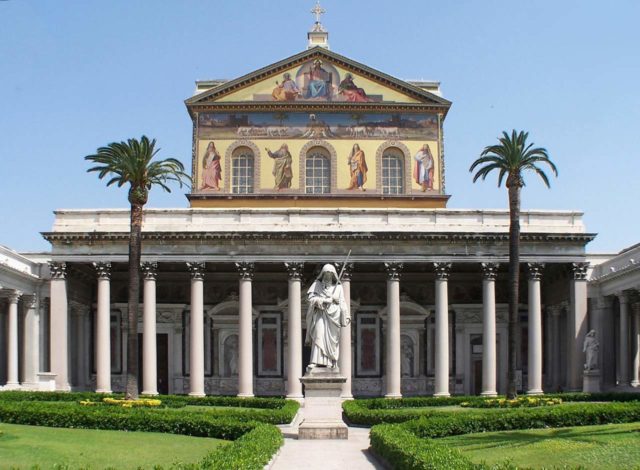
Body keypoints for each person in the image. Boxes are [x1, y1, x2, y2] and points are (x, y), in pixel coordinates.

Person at [305, 264, 349, 369]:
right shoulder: (317, 285)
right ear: (322, 274)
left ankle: (331, 361)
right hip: (320, 314)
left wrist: (346, 315)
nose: (327, 277)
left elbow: (342, 302)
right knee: (318, 334)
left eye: (330, 275)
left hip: (334, 316)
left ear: (333, 276)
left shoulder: (338, 287)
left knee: (332, 340)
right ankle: (315, 361)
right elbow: (310, 299)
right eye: (326, 274)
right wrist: (323, 300)